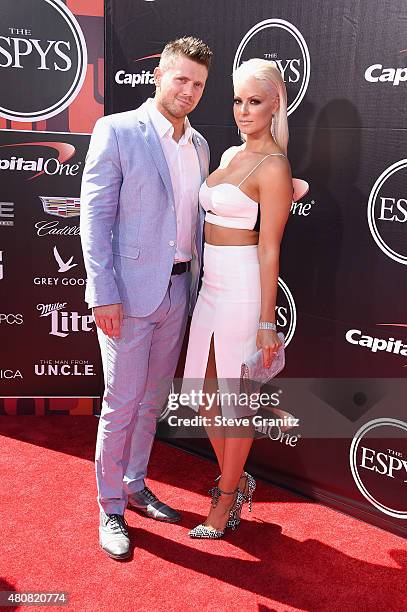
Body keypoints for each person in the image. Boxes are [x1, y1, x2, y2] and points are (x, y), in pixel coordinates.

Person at [80, 36, 212, 559]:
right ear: (158, 75)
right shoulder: (116, 131)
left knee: (153, 400)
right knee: (122, 402)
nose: (189, 91)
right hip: (128, 295)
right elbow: (94, 219)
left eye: (199, 84)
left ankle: (136, 485)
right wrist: (102, 293)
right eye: (180, 79)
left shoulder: (199, 145)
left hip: (179, 289)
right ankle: (110, 504)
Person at [183, 58, 296, 539]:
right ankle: (238, 478)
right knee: (206, 397)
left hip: (244, 292)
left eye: (254, 102)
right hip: (210, 288)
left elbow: (270, 249)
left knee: (234, 402)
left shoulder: (275, 166)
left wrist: (267, 323)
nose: (243, 111)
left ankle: (225, 499)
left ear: (276, 105)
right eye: (237, 100)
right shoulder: (229, 155)